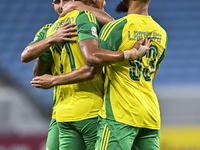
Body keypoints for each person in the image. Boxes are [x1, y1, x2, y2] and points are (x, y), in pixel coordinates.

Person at [32, 0, 167, 149]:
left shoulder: (116, 28)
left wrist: (128, 54)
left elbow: (92, 60)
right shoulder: (160, 32)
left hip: (119, 112)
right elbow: (153, 72)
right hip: (150, 112)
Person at [21, 1, 78, 150]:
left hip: (91, 109)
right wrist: (52, 39)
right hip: (60, 110)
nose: (61, 6)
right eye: (56, 2)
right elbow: (27, 59)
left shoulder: (87, 24)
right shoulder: (48, 31)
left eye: (65, 0)